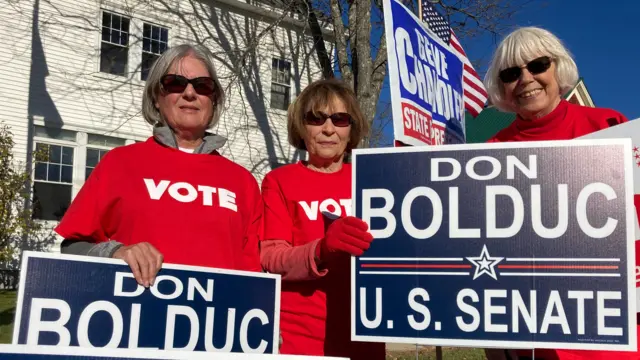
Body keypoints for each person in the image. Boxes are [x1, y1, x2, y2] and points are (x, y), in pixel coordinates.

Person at [482, 26, 634, 360]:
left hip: (613, 319)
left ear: (557, 68)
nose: (526, 79)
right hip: (535, 328)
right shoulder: (492, 152)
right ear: (502, 87)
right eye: (511, 73)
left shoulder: (609, 126)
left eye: (537, 65)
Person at [56, 44, 263, 287]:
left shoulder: (242, 181)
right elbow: (73, 246)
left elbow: (254, 273)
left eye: (203, 86)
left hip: (215, 320)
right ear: (156, 96)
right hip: (136, 317)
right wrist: (115, 252)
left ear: (214, 99)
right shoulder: (120, 163)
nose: (189, 93)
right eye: (175, 83)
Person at [259, 79, 385, 359]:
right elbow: (270, 258)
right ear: (301, 127)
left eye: (340, 119)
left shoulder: (374, 180)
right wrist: (321, 250)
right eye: (316, 118)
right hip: (298, 339)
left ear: (351, 128)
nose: (328, 128)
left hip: (366, 334)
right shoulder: (280, 181)